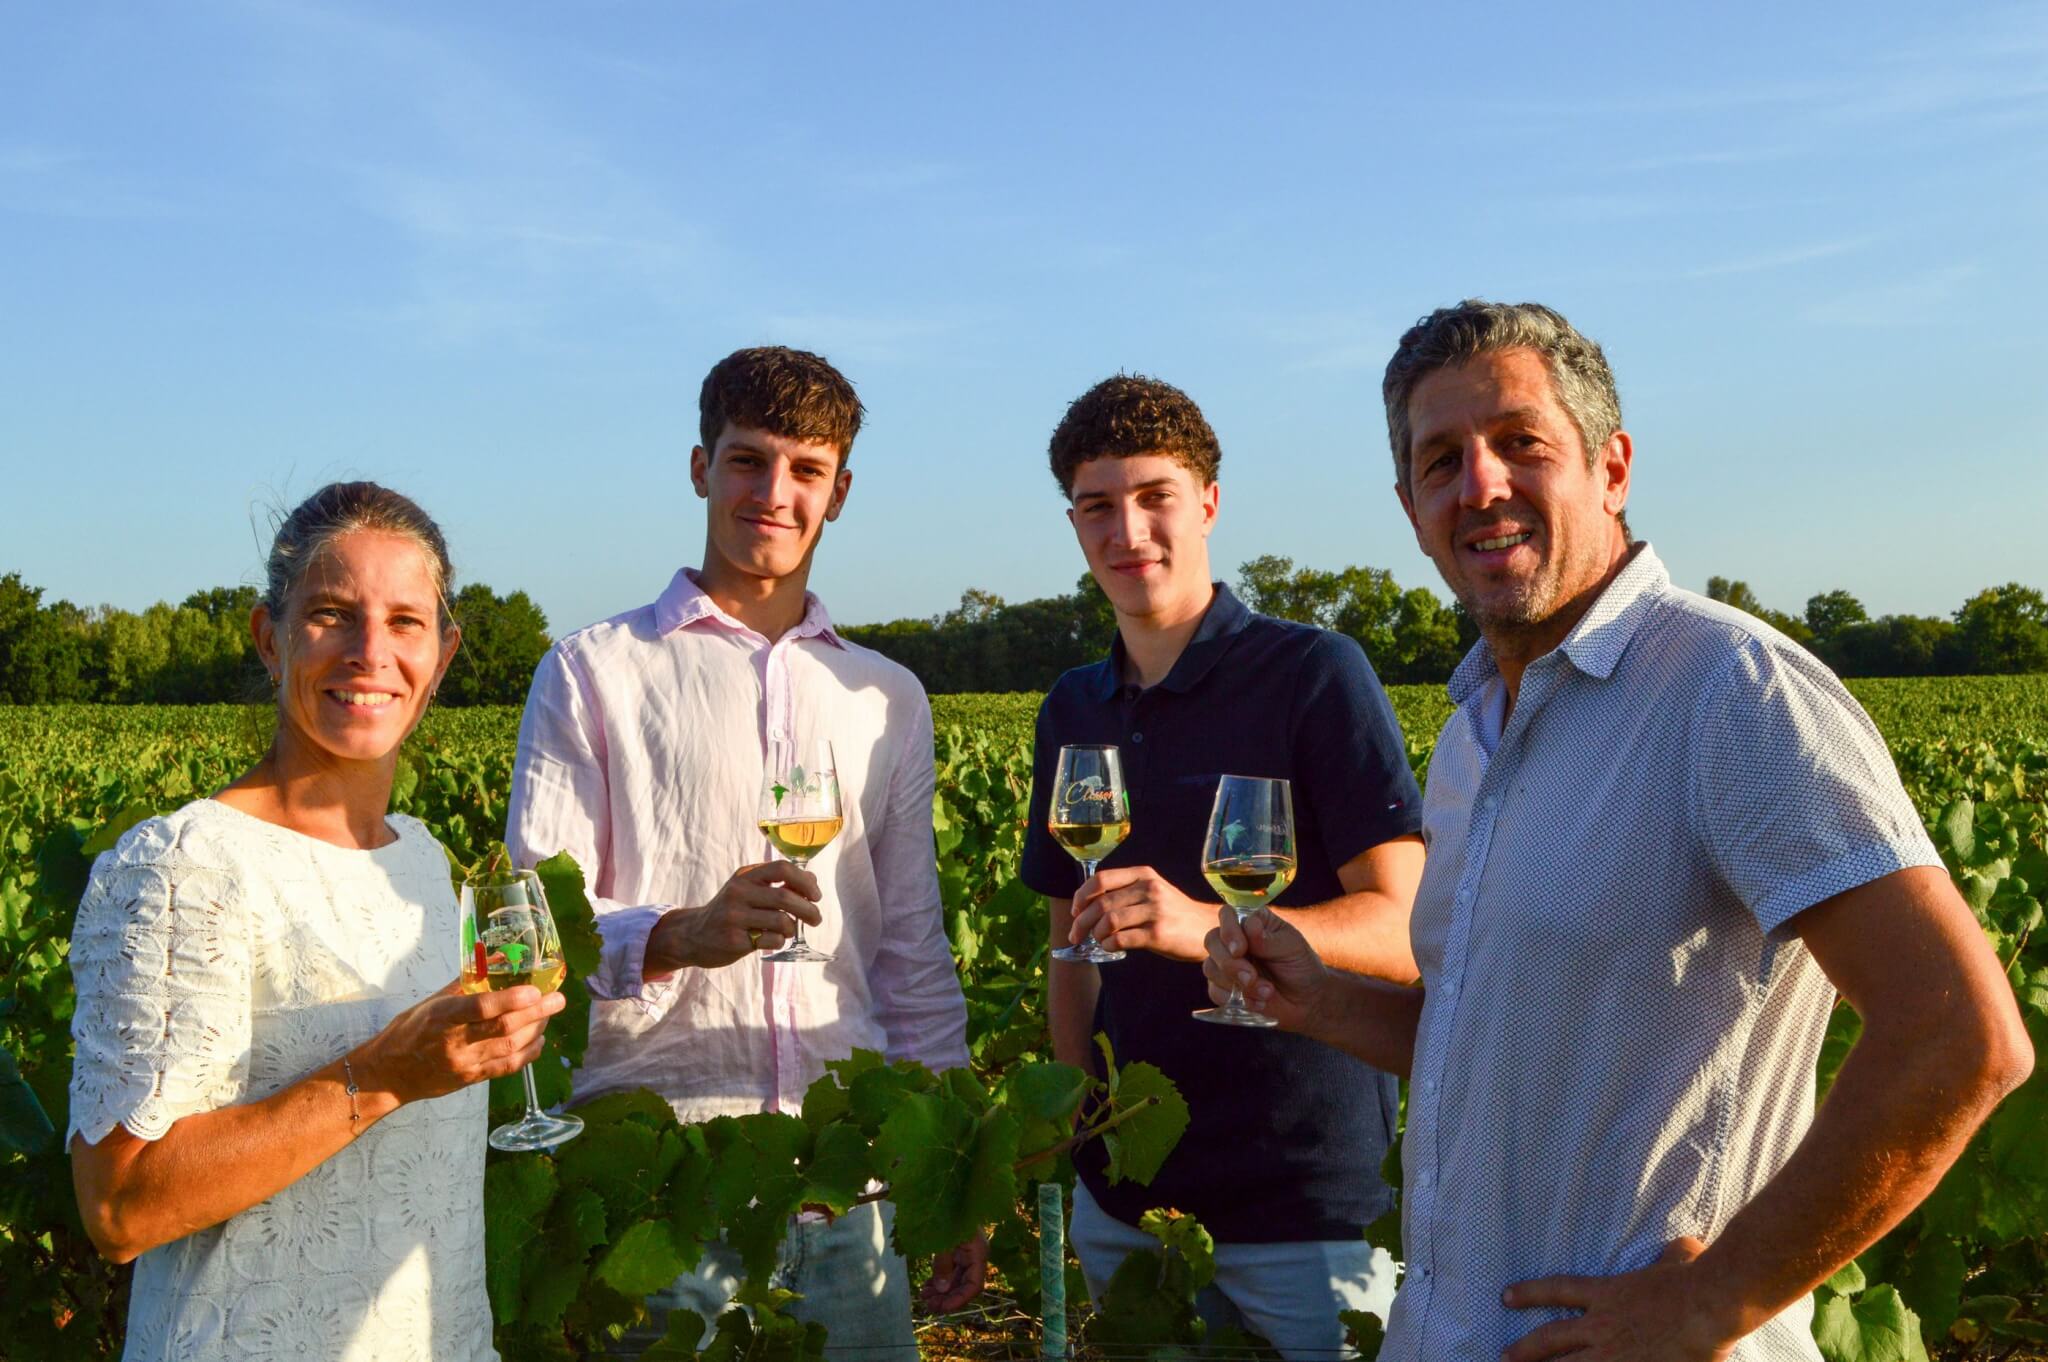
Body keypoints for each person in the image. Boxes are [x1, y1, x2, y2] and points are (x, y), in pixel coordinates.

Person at [1204, 300, 2036, 1361]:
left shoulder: (1730, 691)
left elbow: (1959, 1036)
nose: (1480, 485)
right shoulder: (1469, 737)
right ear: (1411, 508)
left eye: (1520, 443)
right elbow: (1490, 1045)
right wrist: (1321, 1001)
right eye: (1441, 461)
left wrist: (1716, 1299)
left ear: (1611, 468)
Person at [506, 346, 978, 1355]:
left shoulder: (887, 698)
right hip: (664, 1193)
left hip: (848, 1191)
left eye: (806, 470)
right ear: (699, 469)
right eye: (747, 461)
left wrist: (952, 1171)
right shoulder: (593, 671)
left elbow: (911, 951)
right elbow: (536, 926)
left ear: (838, 493)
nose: (774, 493)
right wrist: (680, 935)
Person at [68, 482, 565, 1362]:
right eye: (333, 615)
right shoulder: (183, 866)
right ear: (271, 638)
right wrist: (383, 1076)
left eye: (405, 621)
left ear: (443, 654)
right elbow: (120, 1209)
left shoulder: (423, 859)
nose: (371, 652)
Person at [1019, 374, 1426, 1359]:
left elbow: (1407, 926)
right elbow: (1067, 942)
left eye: (1153, 496)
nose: (1127, 531)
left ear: (1207, 502)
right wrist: (1073, 1126)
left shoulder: (1312, 674)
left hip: (1303, 1209)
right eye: (1096, 506)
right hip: (1127, 1206)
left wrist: (1203, 922)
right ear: (1073, 525)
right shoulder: (1072, 707)